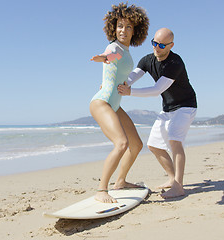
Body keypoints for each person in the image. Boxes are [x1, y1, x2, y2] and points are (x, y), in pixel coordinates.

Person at [117, 28, 197, 199]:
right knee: (154, 145)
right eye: (154, 43)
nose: (157, 48)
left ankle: (178, 186)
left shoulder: (175, 63)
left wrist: (129, 92)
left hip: (185, 106)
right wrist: (117, 84)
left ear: (171, 45)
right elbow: (131, 77)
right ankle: (171, 178)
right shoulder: (147, 60)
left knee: (175, 140)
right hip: (168, 108)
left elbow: (157, 89)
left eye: (161, 45)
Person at [89, 3, 149, 203]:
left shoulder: (127, 51)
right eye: (120, 26)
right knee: (122, 143)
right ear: (114, 28)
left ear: (135, 30)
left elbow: (118, 72)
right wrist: (104, 58)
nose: (123, 30)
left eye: (128, 27)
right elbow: (112, 57)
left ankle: (120, 181)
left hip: (114, 105)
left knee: (137, 145)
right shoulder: (114, 48)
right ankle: (101, 190)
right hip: (102, 103)